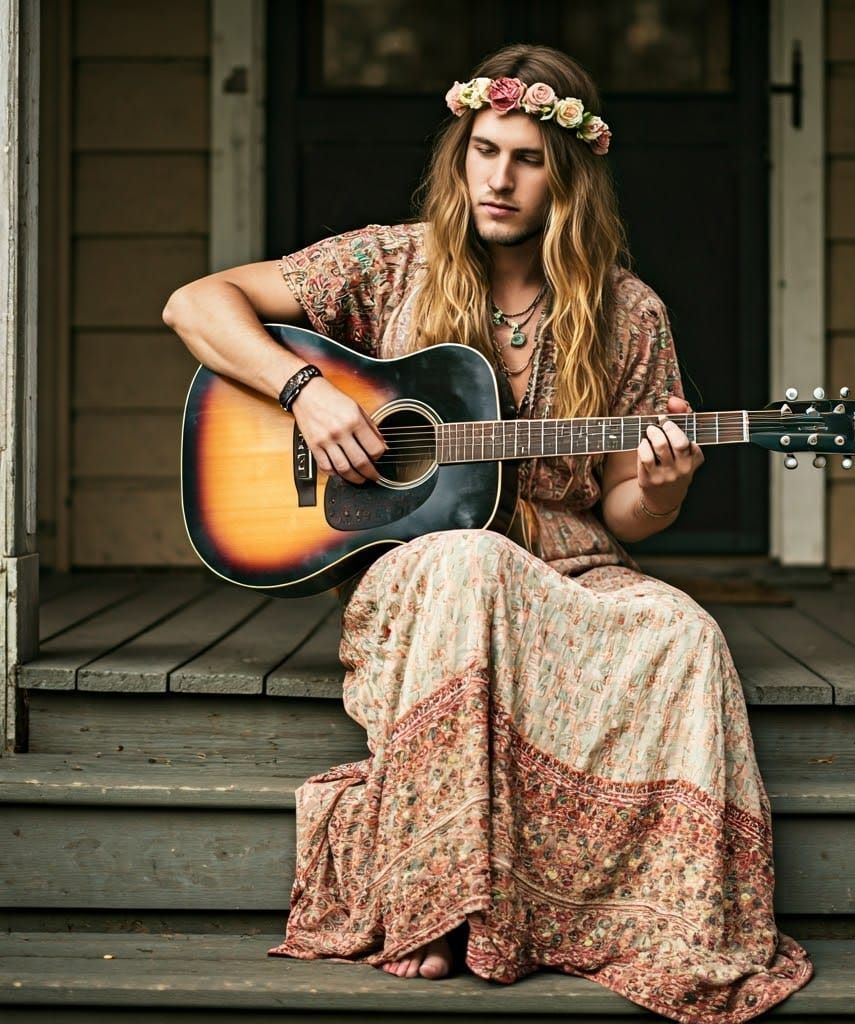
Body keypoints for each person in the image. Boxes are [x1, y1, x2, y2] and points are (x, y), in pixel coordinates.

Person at [163, 43, 812, 1024]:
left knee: (684, 632)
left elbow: (625, 513)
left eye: (528, 159)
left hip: (571, 569)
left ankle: (640, 913)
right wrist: (305, 393)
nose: (499, 178)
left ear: (570, 177)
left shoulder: (628, 314)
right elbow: (193, 304)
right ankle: (439, 898)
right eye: (484, 151)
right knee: (472, 562)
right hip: (427, 574)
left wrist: (664, 488)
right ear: (460, 155)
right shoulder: (389, 264)